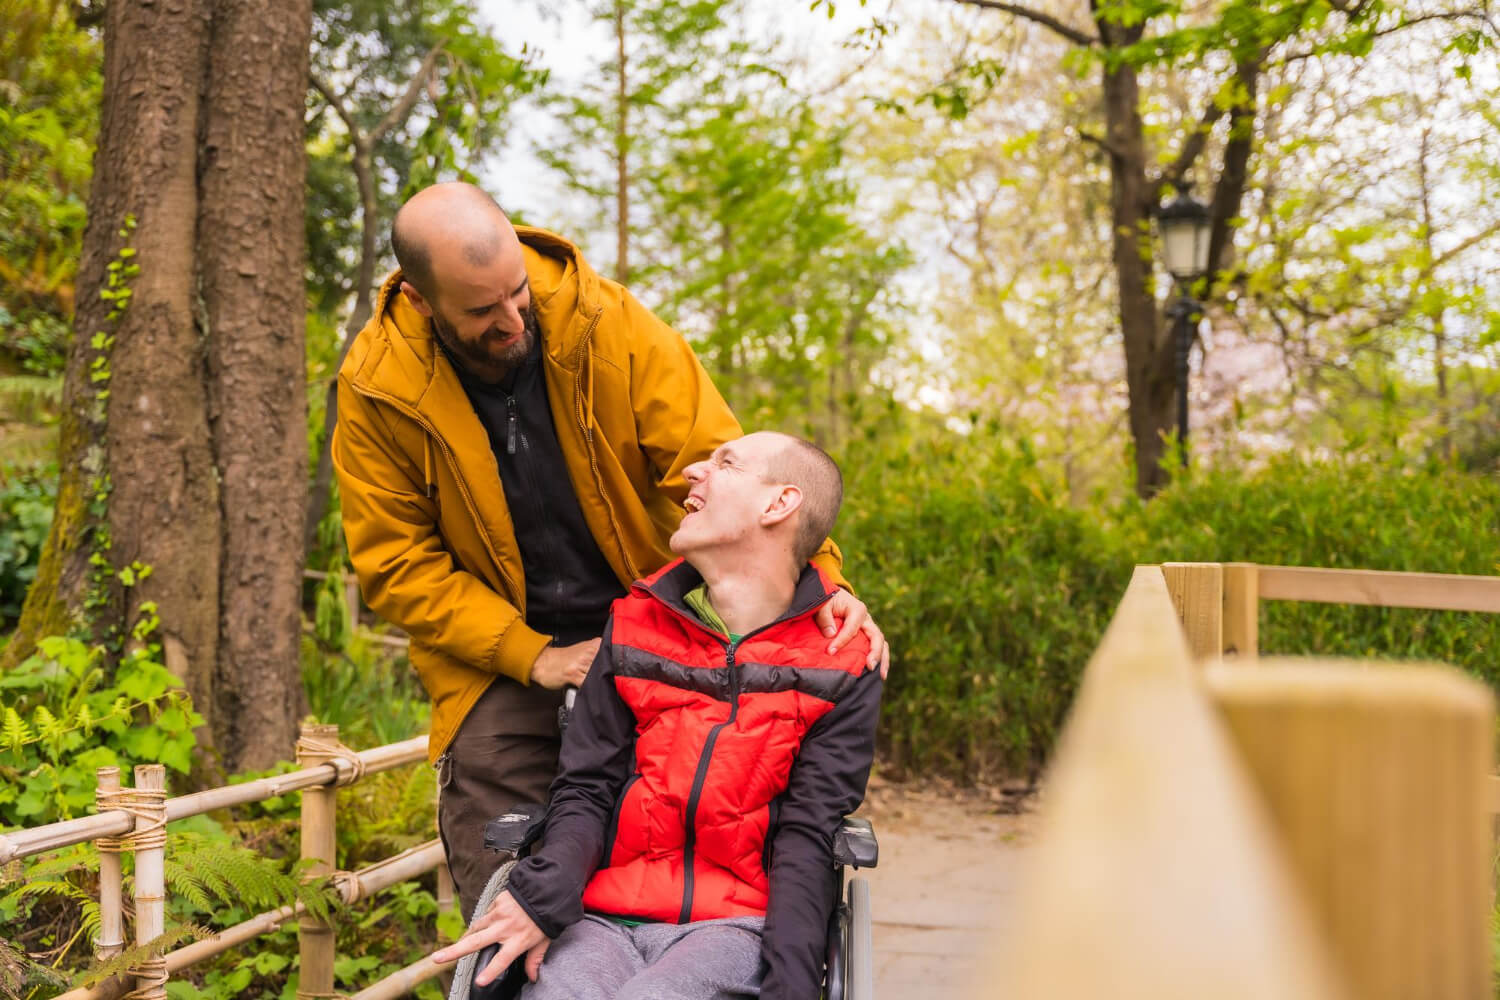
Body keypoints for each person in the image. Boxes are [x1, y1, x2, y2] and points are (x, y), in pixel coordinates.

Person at [331, 182, 888, 918]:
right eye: (481, 311)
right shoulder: (376, 389)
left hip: (658, 626)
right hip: (496, 653)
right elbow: (397, 565)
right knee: (503, 866)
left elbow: (722, 465)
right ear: (424, 301)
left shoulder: (608, 323)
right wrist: (536, 657)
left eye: (517, 293)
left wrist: (823, 584)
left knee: (697, 831)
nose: (511, 319)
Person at [434, 431, 881, 1000]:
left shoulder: (842, 661)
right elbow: (586, 788)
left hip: (735, 928)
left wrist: (790, 987)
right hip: (600, 920)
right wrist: (541, 901)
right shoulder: (633, 626)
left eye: (725, 463)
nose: (693, 471)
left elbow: (807, 833)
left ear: (778, 505)